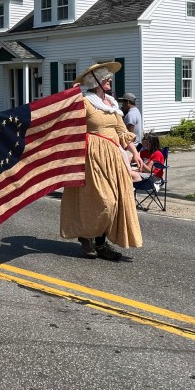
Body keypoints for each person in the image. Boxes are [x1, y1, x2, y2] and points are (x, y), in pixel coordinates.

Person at [60, 62, 143, 261]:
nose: (110, 80)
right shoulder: (85, 102)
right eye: (106, 77)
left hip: (113, 157)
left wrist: (136, 153)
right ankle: (86, 236)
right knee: (102, 201)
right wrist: (70, 98)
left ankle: (100, 242)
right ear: (95, 80)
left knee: (115, 201)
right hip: (92, 156)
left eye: (109, 78)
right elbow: (67, 120)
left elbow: (122, 132)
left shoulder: (112, 105)